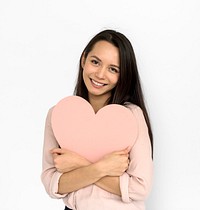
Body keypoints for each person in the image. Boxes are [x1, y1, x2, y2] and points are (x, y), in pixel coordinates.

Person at [41, 29, 153, 210]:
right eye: (95, 62)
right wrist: (103, 167)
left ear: (122, 75)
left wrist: (78, 163)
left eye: (113, 69)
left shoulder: (132, 116)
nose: (100, 75)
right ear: (83, 59)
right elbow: (51, 184)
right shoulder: (59, 114)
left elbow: (140, 188)